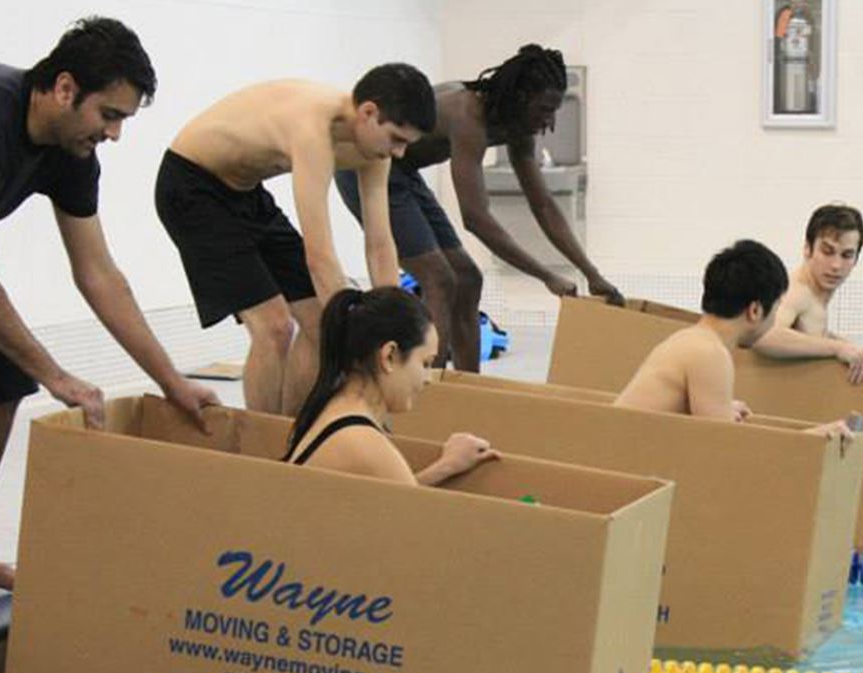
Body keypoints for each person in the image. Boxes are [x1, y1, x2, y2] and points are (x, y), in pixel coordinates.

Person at [0, 18, 218, 623]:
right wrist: (60, 375)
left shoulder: (71, 152)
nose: (116, 133)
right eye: (111, 114)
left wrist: (172, 382)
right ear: (66, 88)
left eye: (125, 119)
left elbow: (99, 274)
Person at [156, 65, 436, 415]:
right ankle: (263, 442)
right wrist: (360, 343)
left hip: (245, 193)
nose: (399, 154)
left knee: (321, 320)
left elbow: (380, 245)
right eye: (396, 139)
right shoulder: (313, 129)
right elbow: (319, 255)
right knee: (274, 326)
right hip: (191, 186)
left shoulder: (375, 151)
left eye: (407, 144)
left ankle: (295, 433)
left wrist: (399, 326)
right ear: (368, 113)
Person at [335, 45, 624, 373]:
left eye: (554, 111)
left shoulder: (518, 128)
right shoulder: (467, 115)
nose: (549, 121)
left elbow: (543, 205)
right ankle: (431, 389)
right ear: (520, 97)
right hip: (368, 167)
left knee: (468, 277)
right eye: (544, 109)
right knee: (440, 278)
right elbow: (475, 218)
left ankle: (469, 388)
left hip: (404, 173)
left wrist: (591, 273)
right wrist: (545, 275)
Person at [615, 240, 854, 441]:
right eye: (776, 310)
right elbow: (728, 450)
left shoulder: (690, 340)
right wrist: (810, 439)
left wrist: (722, 408)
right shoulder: (710, 354)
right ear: (755, 311)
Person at [284, 287, 497, 485]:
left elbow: (401, 493)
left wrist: (446, 466)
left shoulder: (336, 403)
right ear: (389, 356)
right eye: (425, 363)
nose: (428, 378)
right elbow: (414, 512)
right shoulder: (362, 441)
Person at [752, 204, 863, 384]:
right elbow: (763, 336)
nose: (836, 265)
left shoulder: (814, 298)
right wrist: (837, 348)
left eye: (846, 255)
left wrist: (847, 345)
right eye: (827, 252)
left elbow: (808, 337)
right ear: (807, 248)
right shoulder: (796, 292)